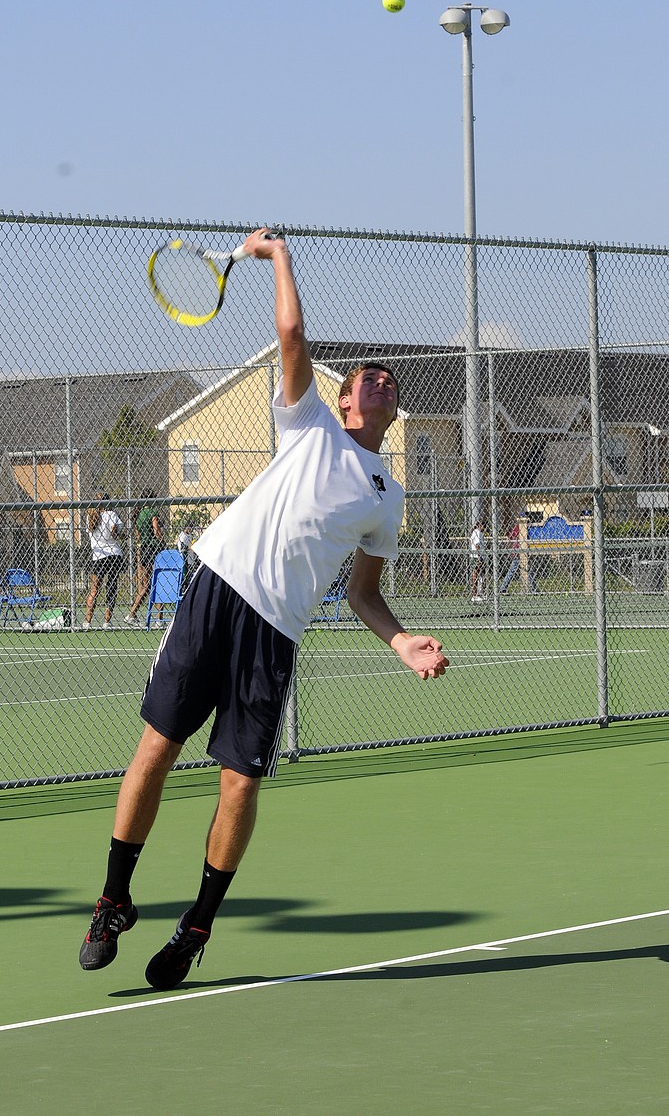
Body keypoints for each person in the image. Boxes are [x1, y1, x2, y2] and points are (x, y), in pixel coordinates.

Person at [78, 227, 450, 989]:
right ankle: (114, 896)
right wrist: (275, 255)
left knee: (239, 785)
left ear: (391, 408)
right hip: (216, 589)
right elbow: (290, 330)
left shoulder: (389, 498)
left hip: (274, 633)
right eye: (367, 374)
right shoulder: (306, 421)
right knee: (157, 747)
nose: (380, 379)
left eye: (388, 378)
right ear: (343, 397)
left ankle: (197, 923)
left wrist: (401, 640)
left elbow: (364, 592)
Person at [83, 493, 124, 629]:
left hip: (99, 555)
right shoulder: (111, 514)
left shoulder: (90, 517)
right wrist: (116, 532)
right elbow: (115, 532)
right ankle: (107, 621)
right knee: (111, 586)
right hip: (114, 554)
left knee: (95, 588)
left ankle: (87, 621)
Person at [123, 493, 165, 623]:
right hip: (153, 548)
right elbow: (155, 530)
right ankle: (157, 618)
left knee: (145, 584)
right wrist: (162, 540)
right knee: (156, 582)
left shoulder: (138, 514)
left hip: (143, 549)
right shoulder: (152, 512)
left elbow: (137, 534)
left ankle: (139, 614)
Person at [498, 516, 538, 595]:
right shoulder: (521, 529)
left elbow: (509, 536)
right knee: (515, 570)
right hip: (518, 553)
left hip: (520, 552)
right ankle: (503, 588)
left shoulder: (518, 528)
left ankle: (533, 588)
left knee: (527, 570)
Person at [470, 519, 487, 603]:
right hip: (477, 556)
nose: (485, 528)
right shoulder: (477, 532)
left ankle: (481, 593)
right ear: (481, 525)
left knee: (482, 574)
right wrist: (479, 557)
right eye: (485, 526)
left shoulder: (479, 532)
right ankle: (474, 595)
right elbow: (477, 545)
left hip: (480, 556)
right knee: (476, 575)